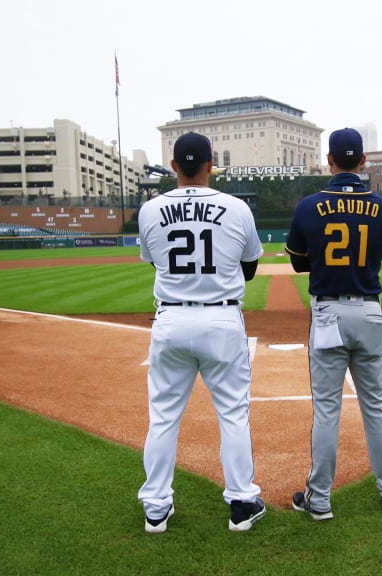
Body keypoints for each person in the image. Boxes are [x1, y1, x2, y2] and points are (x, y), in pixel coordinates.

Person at [136, 131, 266, 533]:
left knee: (162, 418)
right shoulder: (237, 207)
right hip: (222, 320)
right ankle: (242, 503)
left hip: (171, 319)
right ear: (212, 164)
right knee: (233, 415)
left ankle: (156, 508)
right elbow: (249, 266)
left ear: (174, 166)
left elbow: (154, 261)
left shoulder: (149, 210)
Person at [285, 128, 382, 520]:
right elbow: (378, 254)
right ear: (363, 161)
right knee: (376, 406)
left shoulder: (308, 207)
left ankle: (319, 500)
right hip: (369, 311)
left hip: (328, 313)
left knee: (326, 410)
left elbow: (300, 262)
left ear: (330, 160)